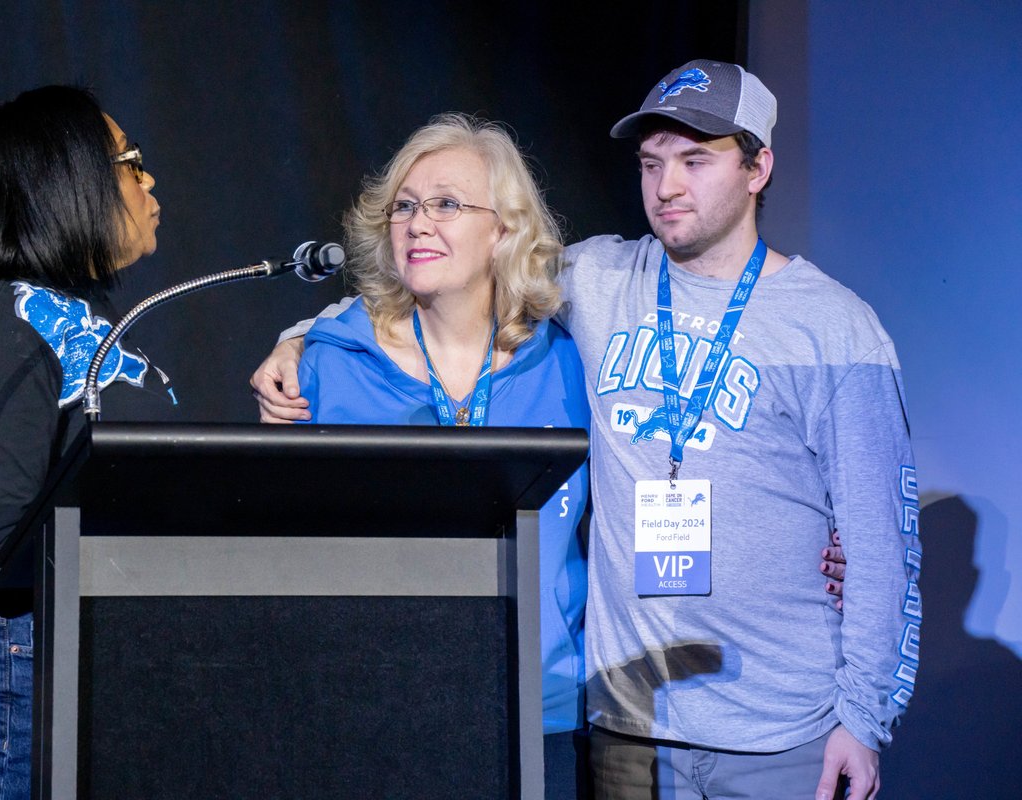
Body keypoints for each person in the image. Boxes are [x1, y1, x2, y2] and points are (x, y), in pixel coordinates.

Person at [251, 60, 916, 800]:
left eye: (696, 161)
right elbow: (448, 277)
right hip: (626, 725)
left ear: (759, 167)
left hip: (781, 731)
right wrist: (301, 337)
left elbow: (881, 545)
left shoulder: (835, 327)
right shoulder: (599, 280)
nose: (667, 187)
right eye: (651, 163)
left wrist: (862, 718)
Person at [293, 113, 592, 799]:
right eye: (404, 206)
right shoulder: (331, 364)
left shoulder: (570, 364)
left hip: (536, 716)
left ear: (506, 230)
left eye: (447, 204)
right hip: (370, 712)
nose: (418, 223)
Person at [0, 85, 174, 799]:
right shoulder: (6, 319)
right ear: (67, 178)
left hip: (64, 657)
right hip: (3, 668)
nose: (149, 182)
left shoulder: (86, 314)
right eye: (130, 161)